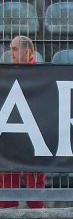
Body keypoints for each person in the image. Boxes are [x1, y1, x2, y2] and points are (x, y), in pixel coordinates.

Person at [0, 35, 45, 209]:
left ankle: (37, 214)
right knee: (6, 173)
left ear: (28, 52)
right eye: (10, 49)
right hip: (10, 131)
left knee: (34, 176)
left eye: (14, 49)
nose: (10, 53)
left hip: (34, 132)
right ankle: (8, 212)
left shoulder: (43, 75)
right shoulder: (6, 74)